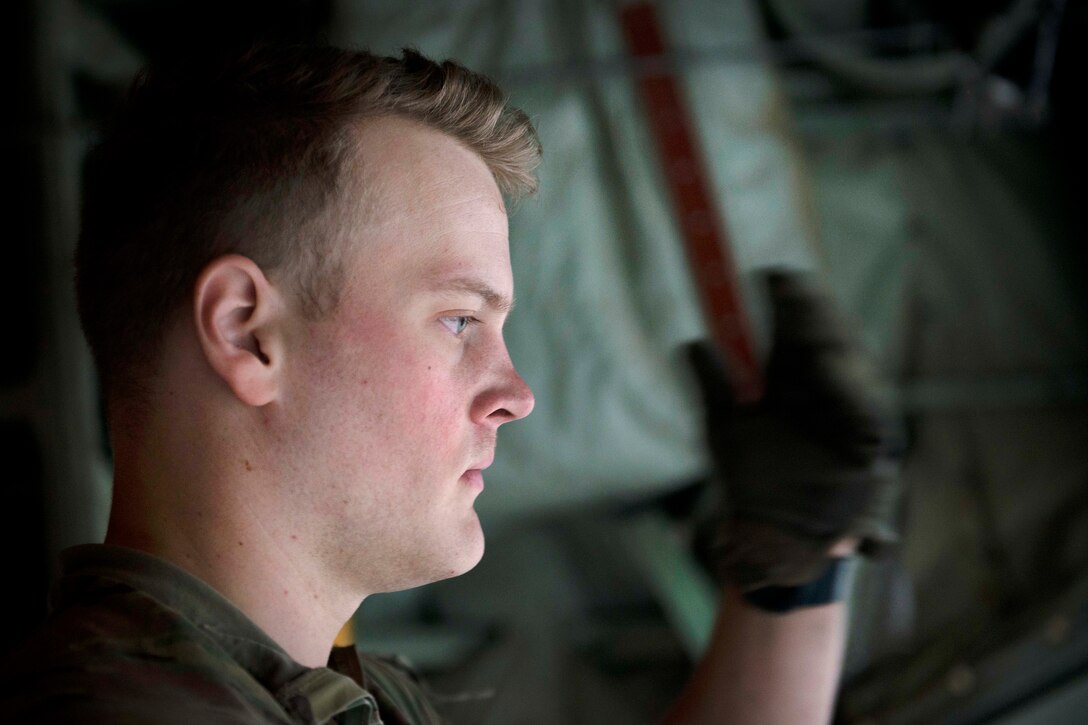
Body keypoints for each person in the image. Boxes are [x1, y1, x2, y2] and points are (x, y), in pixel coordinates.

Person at [0, 43, 898, 724]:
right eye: (460, 319)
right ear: (248, 332)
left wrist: (797, 558)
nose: (515, 392)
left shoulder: (319, 693)